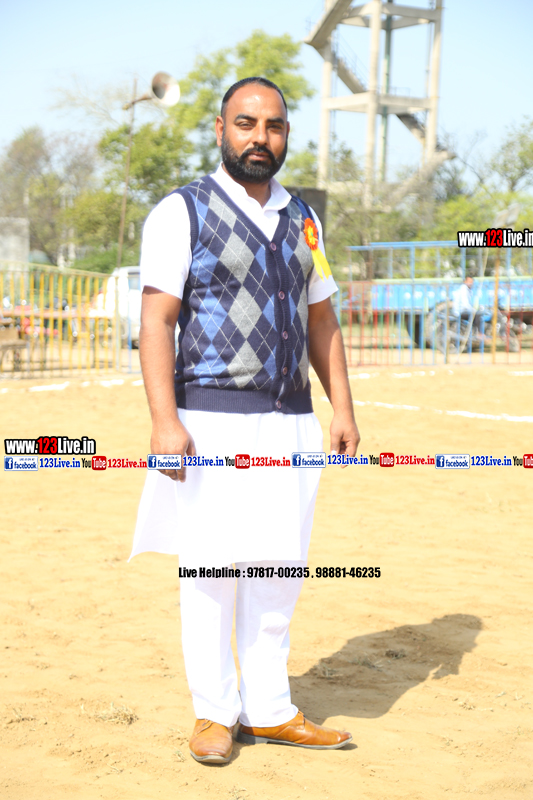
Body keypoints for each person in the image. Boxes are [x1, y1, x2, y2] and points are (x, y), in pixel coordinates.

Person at [131, 76, 360, 764]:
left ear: (286, 135)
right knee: (209, 567)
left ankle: (270, 709)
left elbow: (321, 318)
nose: (260, 138)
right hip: (209, 419)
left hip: (290, 421)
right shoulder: (181, 211)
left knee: (278, 567)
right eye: (246, 123)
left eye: (274, 126)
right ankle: (214, 711)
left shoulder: (304, 219)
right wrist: (163, 421)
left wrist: (342, 408)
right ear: (220, 129)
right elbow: (155, 320)